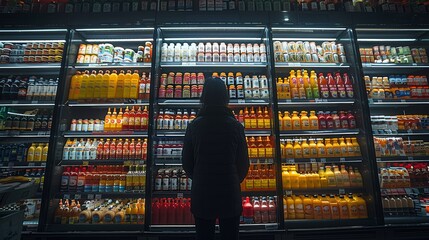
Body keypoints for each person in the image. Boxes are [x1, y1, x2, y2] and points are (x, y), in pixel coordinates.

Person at [182, 77, 250, 240]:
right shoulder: (236, 126)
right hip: (229, 194)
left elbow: (187, 163)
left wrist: (199, 177)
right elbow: (243, 164)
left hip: (203, 193)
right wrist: (233, 179)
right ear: (225, 97)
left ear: (204, 97)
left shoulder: (194, 126)